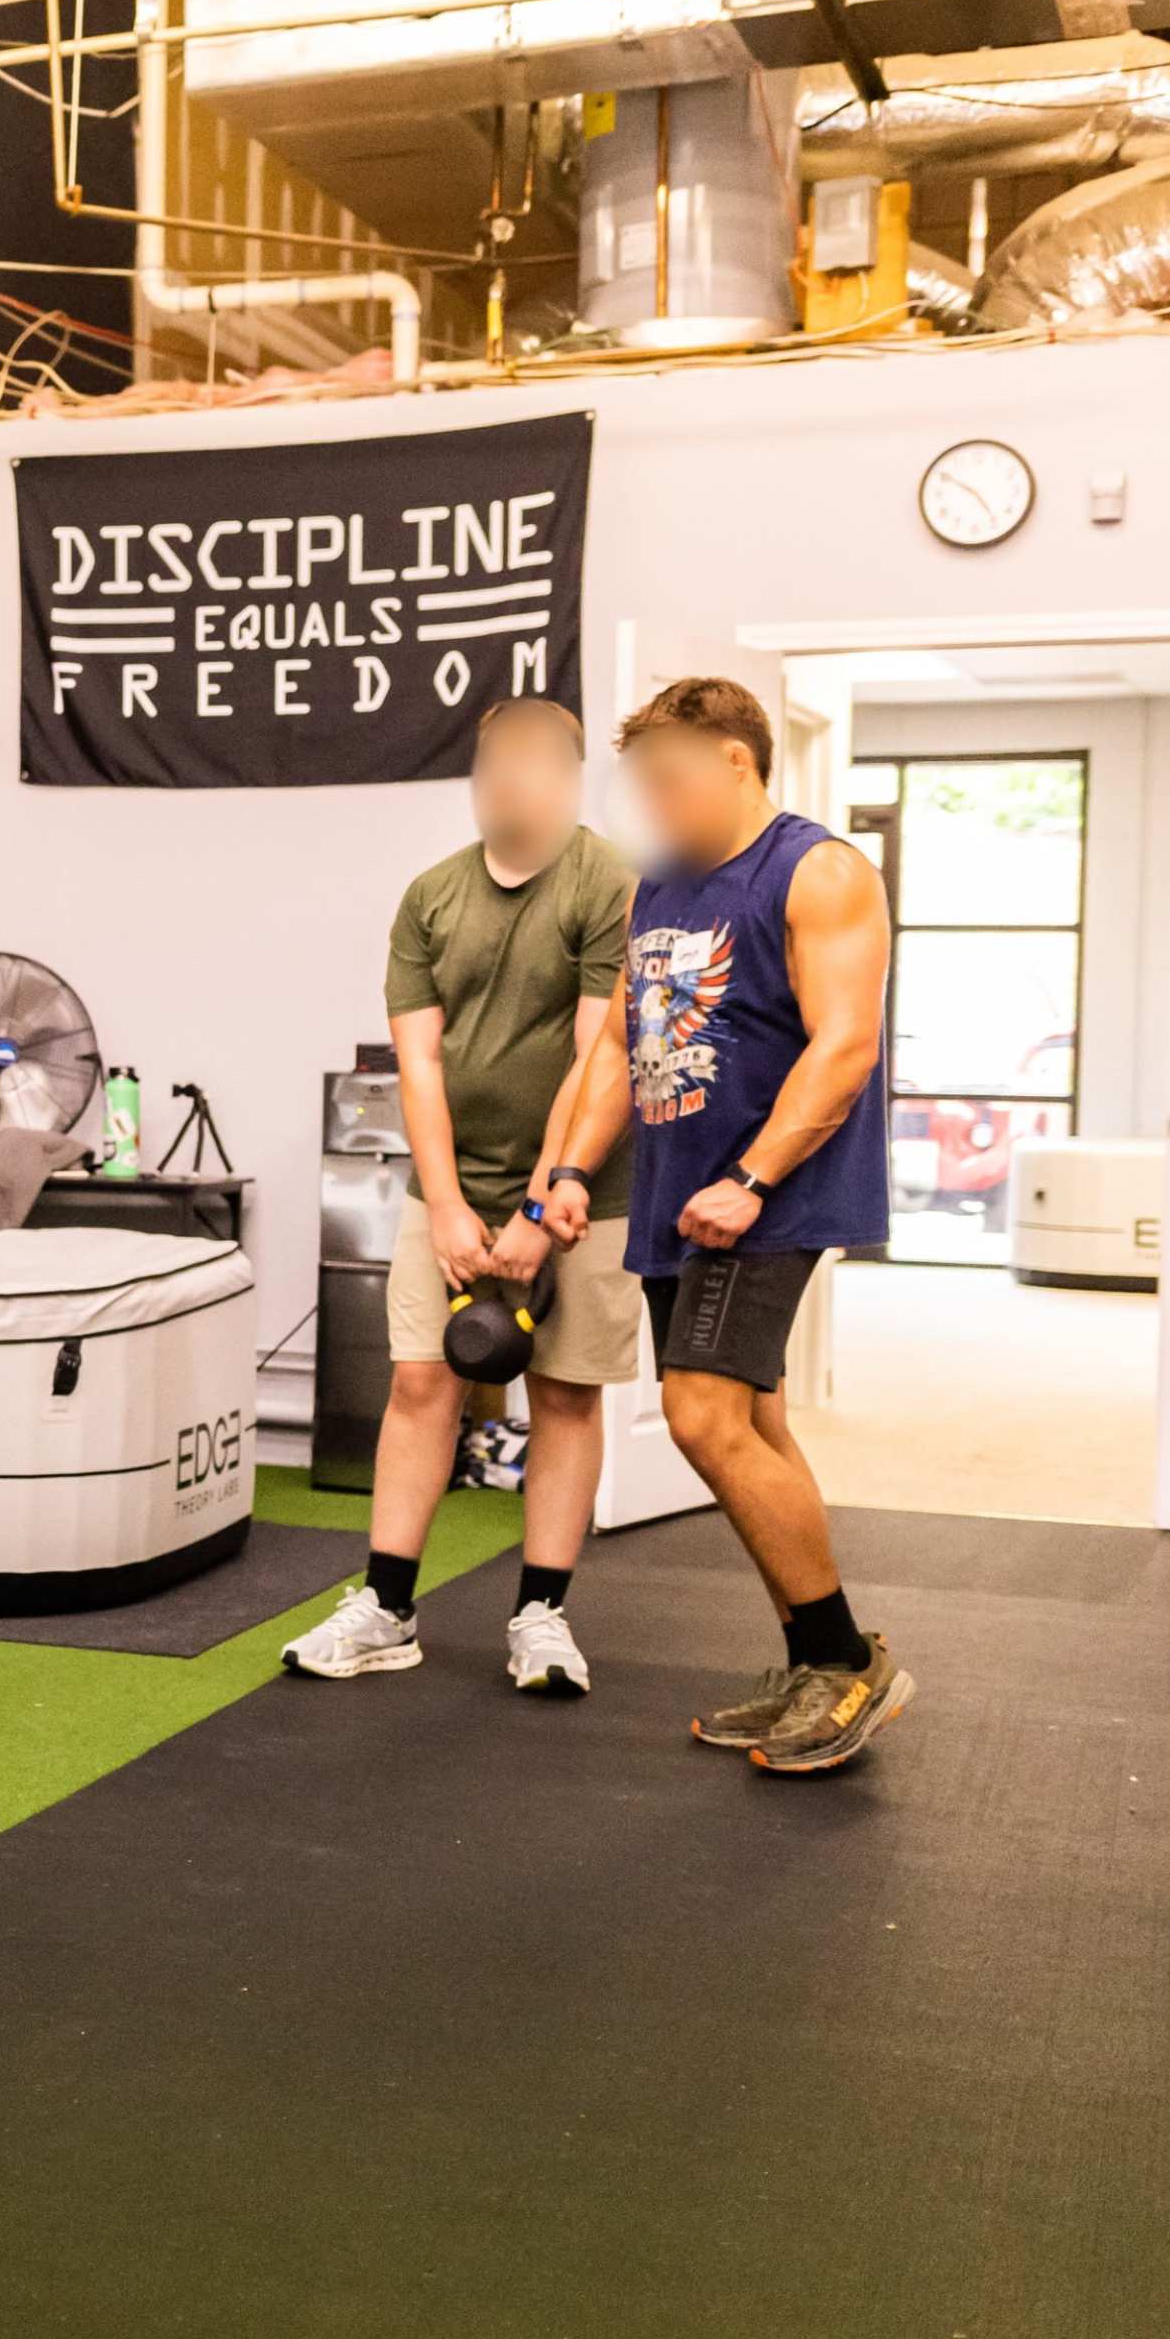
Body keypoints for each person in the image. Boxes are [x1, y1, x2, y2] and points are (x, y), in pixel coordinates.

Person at [542, 674, 910, 1774]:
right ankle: (813, 1659)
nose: (652, 802)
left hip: (766, 1193)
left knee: (701, 1418)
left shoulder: (819, 870)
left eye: (669, 778)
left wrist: (751, 1176)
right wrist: (566, 1167)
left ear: (737, 761)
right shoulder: (655, 887)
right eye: (640, 782)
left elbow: (845, 1046)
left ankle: (847, 1663)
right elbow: (616, 1048)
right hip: (677, 1196)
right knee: (750, 1422)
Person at [286, 698, 645, 1694]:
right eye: (492, 766)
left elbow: (598, 1055)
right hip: (453, 1186)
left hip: (586, 1191)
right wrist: (445, 1202)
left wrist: (540, 1206)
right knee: (419, 1384)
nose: (508, 785)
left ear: (572, 780)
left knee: (566, 1396)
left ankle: (541, 1614)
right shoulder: (431, 897)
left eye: (532, 767)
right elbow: (421, 1067)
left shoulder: (610, 882)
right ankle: (388, 1608)